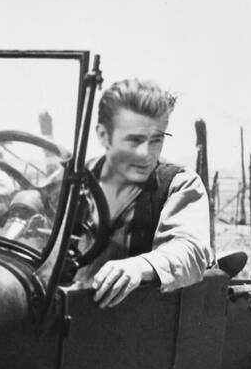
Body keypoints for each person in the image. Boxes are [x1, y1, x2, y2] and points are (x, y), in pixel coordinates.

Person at [74, 78, 214, 308]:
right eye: (134, 140)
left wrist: (139, 266)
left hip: (131, 324)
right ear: (103, 136)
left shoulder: (178, 184)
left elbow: (191, 250)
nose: (146, 154)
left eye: (156, 139)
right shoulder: (74, 177)